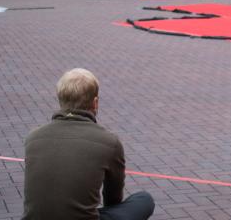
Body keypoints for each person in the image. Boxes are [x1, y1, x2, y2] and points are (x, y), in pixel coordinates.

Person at [22, 68, 155, 220]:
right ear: (95, 103)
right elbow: (113, 199)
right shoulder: (109, 142)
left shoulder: (33, 138)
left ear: (60, 100)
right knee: (144, 199)